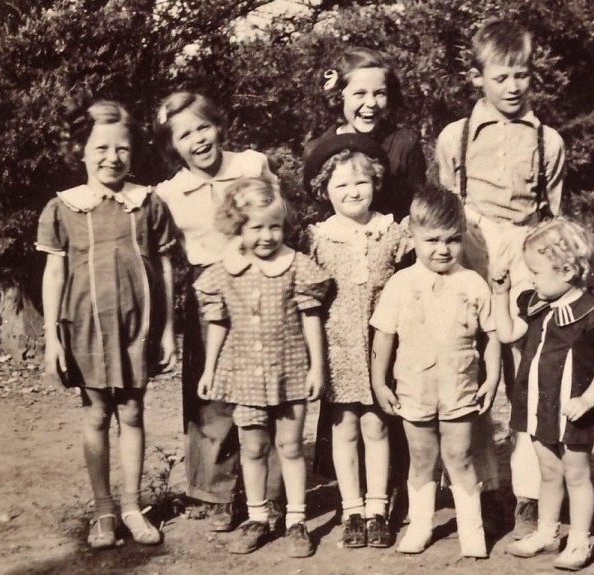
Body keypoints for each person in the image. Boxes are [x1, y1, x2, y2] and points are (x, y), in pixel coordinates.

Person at [435, 18, 566, 537]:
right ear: (477, 77)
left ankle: (528, 494)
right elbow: (447, 210)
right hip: (471, 251)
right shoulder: (456, 136)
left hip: (526, 254)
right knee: (472, 377)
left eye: (522, 76)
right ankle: (483, 486)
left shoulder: (548, 140)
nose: (513, 87)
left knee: (525, 379)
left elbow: (554, 217)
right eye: (501, 77)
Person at [38, 100, 177, 549]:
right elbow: (55, 273)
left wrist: (169, 329)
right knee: (96, 413)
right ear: (80, 150)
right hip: (85, 327)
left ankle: (133, 507)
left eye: (122, 148)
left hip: (139, 326)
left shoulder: (148, 202)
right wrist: (51, 340)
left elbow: (166, 268)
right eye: (100, 147)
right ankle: (103, 510)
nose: (111, 157)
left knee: (133, 412)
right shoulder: (63, 208)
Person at [153, 92, 284, 533]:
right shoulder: (169, 193)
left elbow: (280, 217)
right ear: (172, 146)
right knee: (211, 395)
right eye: (185, 134)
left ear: (218, 126)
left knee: (267, 387)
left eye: (203, 127)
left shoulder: (250, 165)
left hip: (261, 284)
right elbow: (167, 255)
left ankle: (268, 491)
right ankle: (215, 492)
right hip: (209, 293)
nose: (198, 139)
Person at [194, 177, 330, 558]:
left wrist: (317, 367)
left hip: (289, 371)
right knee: (252, 447)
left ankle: (296, 520)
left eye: (274, 226)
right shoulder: (225, 271)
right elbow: (217, 323)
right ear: (237, 228)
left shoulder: (297, 266)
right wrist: (209, 369)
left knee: (289, 446)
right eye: (256, 227)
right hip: (246, 375)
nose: (267, 236)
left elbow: (311, 319)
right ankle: (256, 517)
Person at [370, 186, 501, 558]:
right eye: (431, 240)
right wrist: (380, 381)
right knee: (422, 458)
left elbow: (491, 337)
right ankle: (421, 525)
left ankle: (471, 531)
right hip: (414, 386)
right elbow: (384, 337)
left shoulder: (473, 283)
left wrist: (492, 379)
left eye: (452, 240)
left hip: (460, 386)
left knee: (459, 457)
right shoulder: (400, 284)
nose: (442, 249)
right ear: (413, 236)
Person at [492, 219, 594, 570]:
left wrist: (587, 400)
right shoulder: (537, 305)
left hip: (573, 409)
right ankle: (548, 531)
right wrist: (501, 294)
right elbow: (507, 334)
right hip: (540, 405)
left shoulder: (592, 315)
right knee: (548, 473)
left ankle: (580, 541)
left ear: (567, 270)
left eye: (536, 272)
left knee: (576, 474)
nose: (532, 280)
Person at [303, 134, 412, 548]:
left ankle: (377, 508)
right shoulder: (316, 238)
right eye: (341, 185)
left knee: (377, 425)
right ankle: (351, 508)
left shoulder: (391, 231)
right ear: (324, 190)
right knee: (344, 427)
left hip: (381, 346)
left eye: (361, 183)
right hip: (338, 348)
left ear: (376, 183)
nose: (353, 192)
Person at [303, 46, 427, 221]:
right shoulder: (319, 150)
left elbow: (418, 209)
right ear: (338, 96)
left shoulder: (404, 143)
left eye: (379, 93)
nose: (371, 103)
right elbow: (322, 214)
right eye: (359, 94)